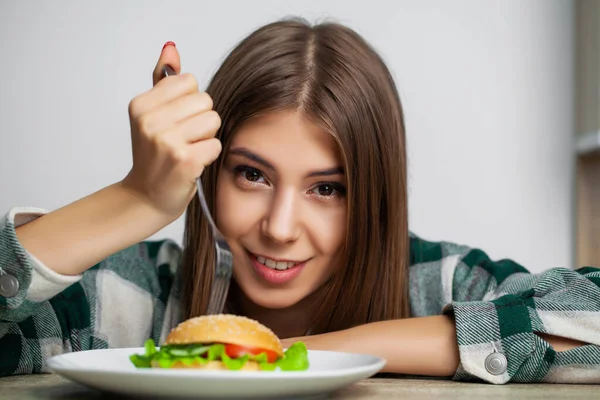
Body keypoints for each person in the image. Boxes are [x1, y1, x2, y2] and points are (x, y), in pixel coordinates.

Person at [1, 18, 598, 384]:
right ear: (210, 172)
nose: (281, 227)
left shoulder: (435, 282)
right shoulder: (137, 297)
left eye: (327, 189)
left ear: (375, 197)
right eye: (252, 176)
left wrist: (283, 357)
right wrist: (136, 200)